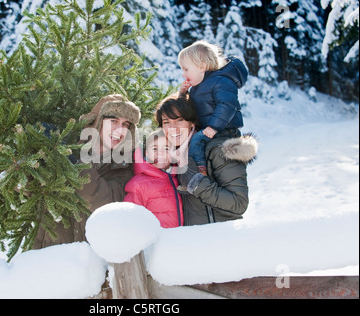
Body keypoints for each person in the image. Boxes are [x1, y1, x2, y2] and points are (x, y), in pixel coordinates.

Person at [33, 94, 141, 248]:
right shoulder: (68, 148)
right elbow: (30, 190)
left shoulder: (124, 166)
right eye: (114, 121)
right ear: (97, 121)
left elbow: (104, 201)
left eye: (125, 124)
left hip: (90, 261)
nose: (119, 130)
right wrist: (34, 150)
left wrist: (73, 165)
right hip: (48, 251)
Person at [156, 92, 258, 225]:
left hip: (221, 237)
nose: (173, 128)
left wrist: (197, 183)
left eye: (179, 120)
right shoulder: (173, 157)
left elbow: (238, 203)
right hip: (194, 240)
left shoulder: (217, 150)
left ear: (192, 123)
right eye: (166, 122)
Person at [178, 40, 248, 176]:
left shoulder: (221, 81)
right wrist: (183, 94)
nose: (183, 74)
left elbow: (227, 104)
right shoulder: (197, 88)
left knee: (196, 142)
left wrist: (214, 126)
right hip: (210, 129)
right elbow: (190, 109)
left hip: (225, 130)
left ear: (202, 66)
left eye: (186, 69)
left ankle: (200, 173)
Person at [124, 129, 183, 228]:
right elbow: (131, 219)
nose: (160, 153)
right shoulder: (138, 184)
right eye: (155, 149)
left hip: (179, 239)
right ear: (146, 153)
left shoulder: (179, 178)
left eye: (166, 149)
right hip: (155, 240)